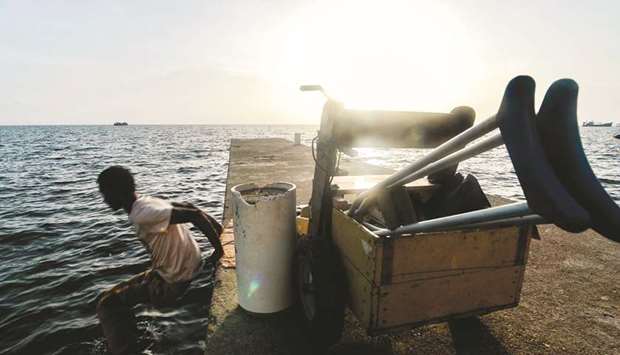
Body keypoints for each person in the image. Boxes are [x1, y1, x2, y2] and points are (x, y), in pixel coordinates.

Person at [95, 165, 224, 354]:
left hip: (171, 282)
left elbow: (193, 214)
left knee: (107, 304)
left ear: (117, 193)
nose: (104, 200)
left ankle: (126, 349)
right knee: (117, 300)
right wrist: (220, 231)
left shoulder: (141, 215)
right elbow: (191, 207)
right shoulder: (146, 202)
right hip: (178, 269)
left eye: (105, 194)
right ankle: (132, 340)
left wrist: (218, 250)